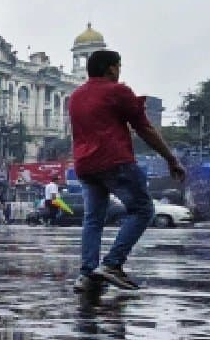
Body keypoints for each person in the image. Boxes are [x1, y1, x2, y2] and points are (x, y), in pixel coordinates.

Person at [70, 51, 186, 292]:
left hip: (85, 165)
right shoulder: (117, 91)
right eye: (118, 66)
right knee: (143, 210)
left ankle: (87, 273)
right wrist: (170, 158)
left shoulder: (76, 96)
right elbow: (144, 128)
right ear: (110, 69)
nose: (120, 70)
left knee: (93, 220)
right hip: (114, 161)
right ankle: (112, 263)